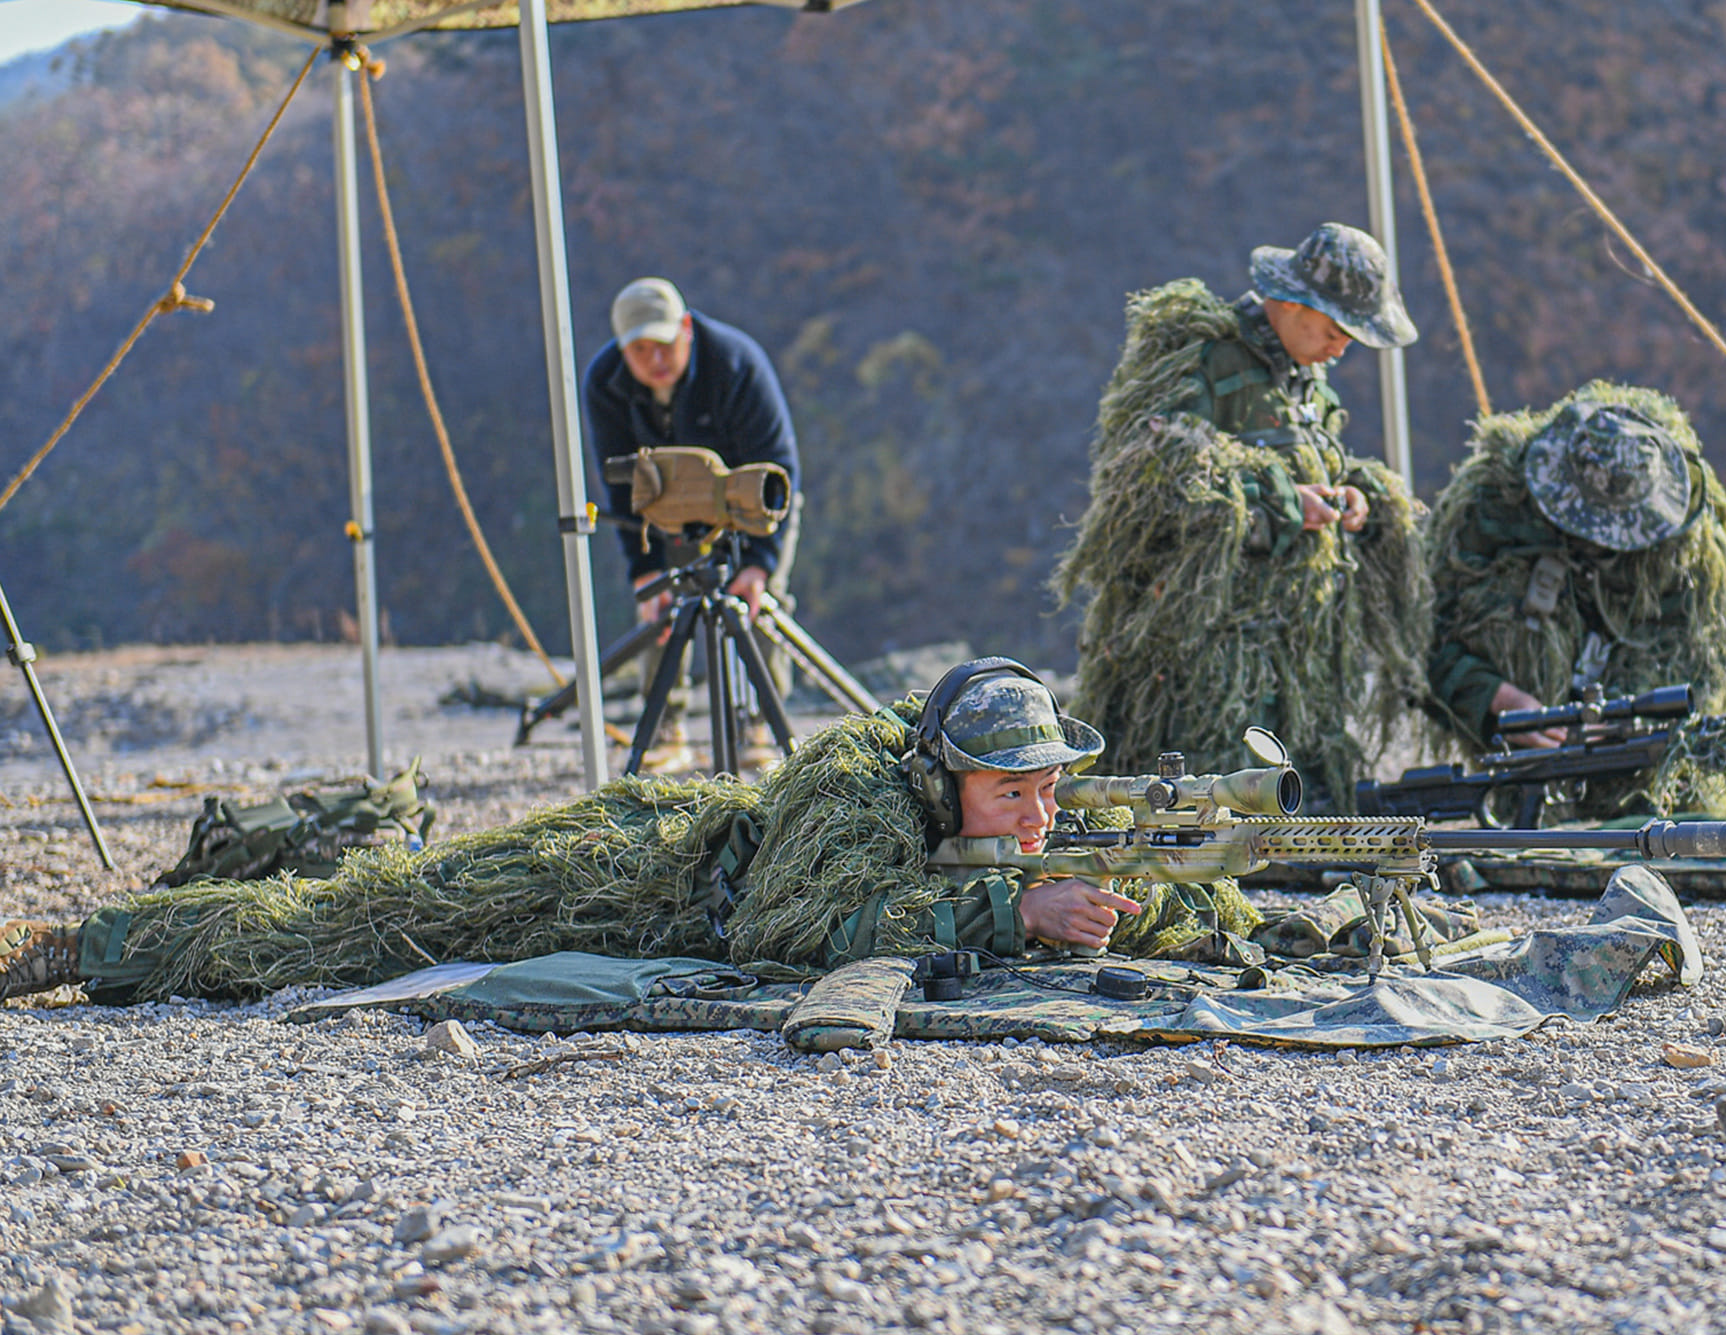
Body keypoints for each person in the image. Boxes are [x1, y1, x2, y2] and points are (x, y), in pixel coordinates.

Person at [0, 661, 1340, 1006]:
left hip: (673, 858)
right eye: (1012, 798)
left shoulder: (1002, 802)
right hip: (616, 884)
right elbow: (785, 931)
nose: (1037, 819)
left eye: (1047, 792)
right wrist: (1009, 914)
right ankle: (87, 946)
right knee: (352, 931)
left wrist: (1152, 899)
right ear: (941, 778)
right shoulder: (855, 797)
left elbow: (1100, 874)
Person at [1053, 222, 1431, 811]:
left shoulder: (1308, 383)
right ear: (1289, 303)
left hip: (1294, 648)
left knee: (1292, 810)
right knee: (1208, 812)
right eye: (1335, 330)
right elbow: (1154, 485)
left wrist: (1352, 495)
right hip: (1210, 658)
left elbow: (1305, 463)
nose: (1341, 349)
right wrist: (1285, 505)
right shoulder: (1203, 360)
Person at [1425, 381, 1726, 813]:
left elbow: (1700, 668)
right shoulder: (1488, 514)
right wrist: (1496, 697)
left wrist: (1624, 718)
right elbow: (1424, 645)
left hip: (1640, 761)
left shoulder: (1685, 549)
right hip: (1516, 749)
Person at [583, 277, 801, 707]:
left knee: (760, 602)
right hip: (666, 510)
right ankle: (665, 723)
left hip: (753, 501)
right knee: (659, 606)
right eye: (640, 350)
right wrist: (643, 569)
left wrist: (760, 562)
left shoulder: (736, 364)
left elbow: (779, 471)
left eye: (664, 343)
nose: (655, 359)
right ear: (622, 349)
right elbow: (623, 489)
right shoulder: (605, 383)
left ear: (685, 327)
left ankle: (763, 721)